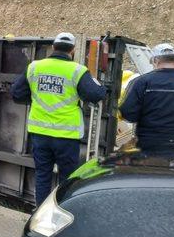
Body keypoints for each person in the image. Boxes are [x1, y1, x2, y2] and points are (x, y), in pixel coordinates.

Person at [11, 33, 106, 205]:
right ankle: (62, 212)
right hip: (66, 137)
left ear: (53, 47)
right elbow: (96, 95)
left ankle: (40, 213)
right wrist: (99, 84)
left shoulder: (35, 67)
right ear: (73, 50)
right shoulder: (77, 70)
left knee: (42, 175)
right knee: (66, 179)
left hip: (39, 134)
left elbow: (16, 93)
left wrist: (34, 99)